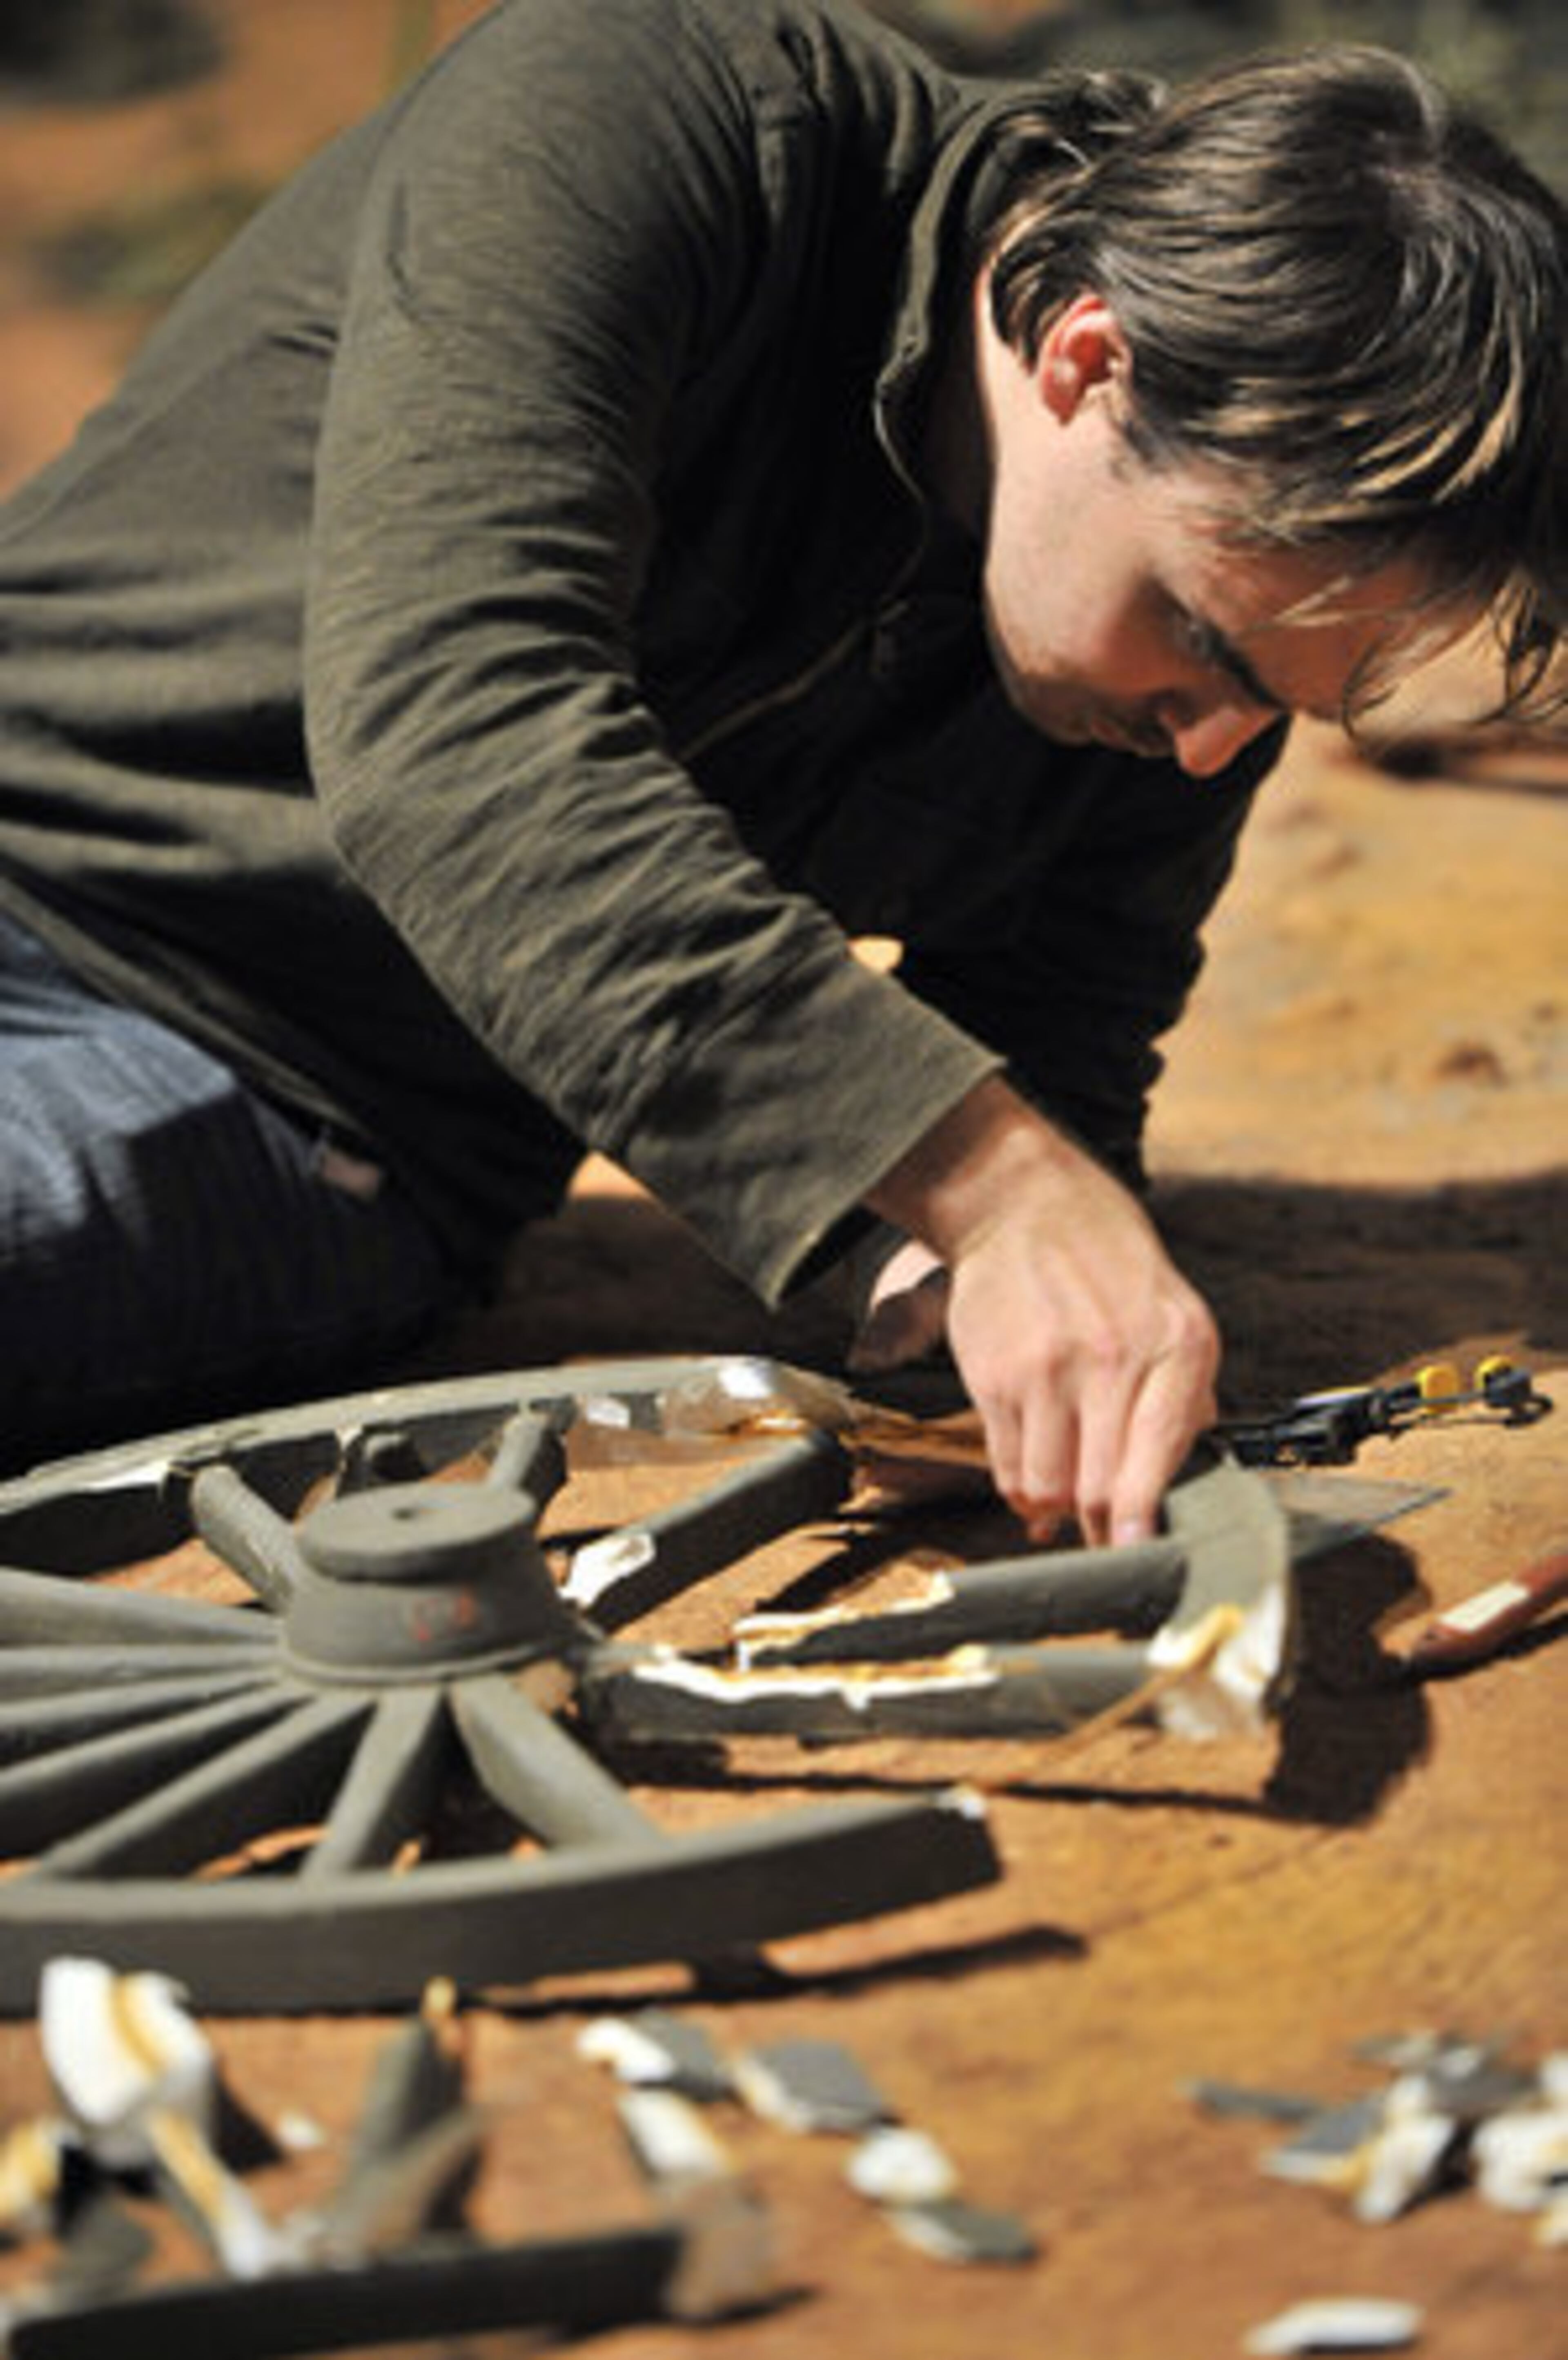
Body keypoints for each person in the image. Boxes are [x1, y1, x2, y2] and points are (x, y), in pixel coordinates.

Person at [0, 2, 1562, 1527]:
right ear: (1094, 360)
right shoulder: (660, 115)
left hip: (266, 1085)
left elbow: (1062, 1009)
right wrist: (998, 1190)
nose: (1217, 747)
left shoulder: (1162, 656)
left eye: (1283, 702)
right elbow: (457, 722)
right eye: (1209, 641)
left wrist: (936, 1264)